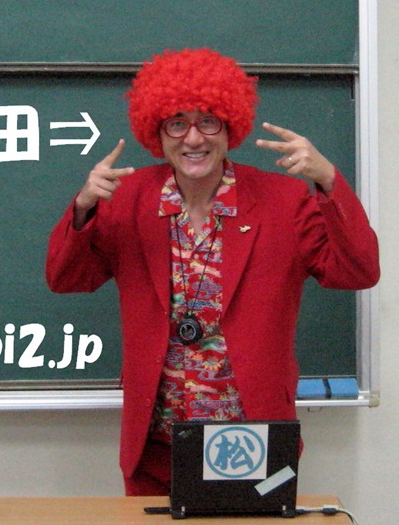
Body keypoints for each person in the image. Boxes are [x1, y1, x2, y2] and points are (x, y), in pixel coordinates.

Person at [45, 48, 380, 496]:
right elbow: (65, 278)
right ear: (156, 131)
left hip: (252, 441)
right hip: (156, 444)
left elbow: (358, 271)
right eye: (176, 123)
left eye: (208, 122)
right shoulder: (126, 199)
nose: (193, 138)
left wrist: (329, 182)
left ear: (229, 126)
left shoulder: (284, 201)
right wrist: (84, 208)